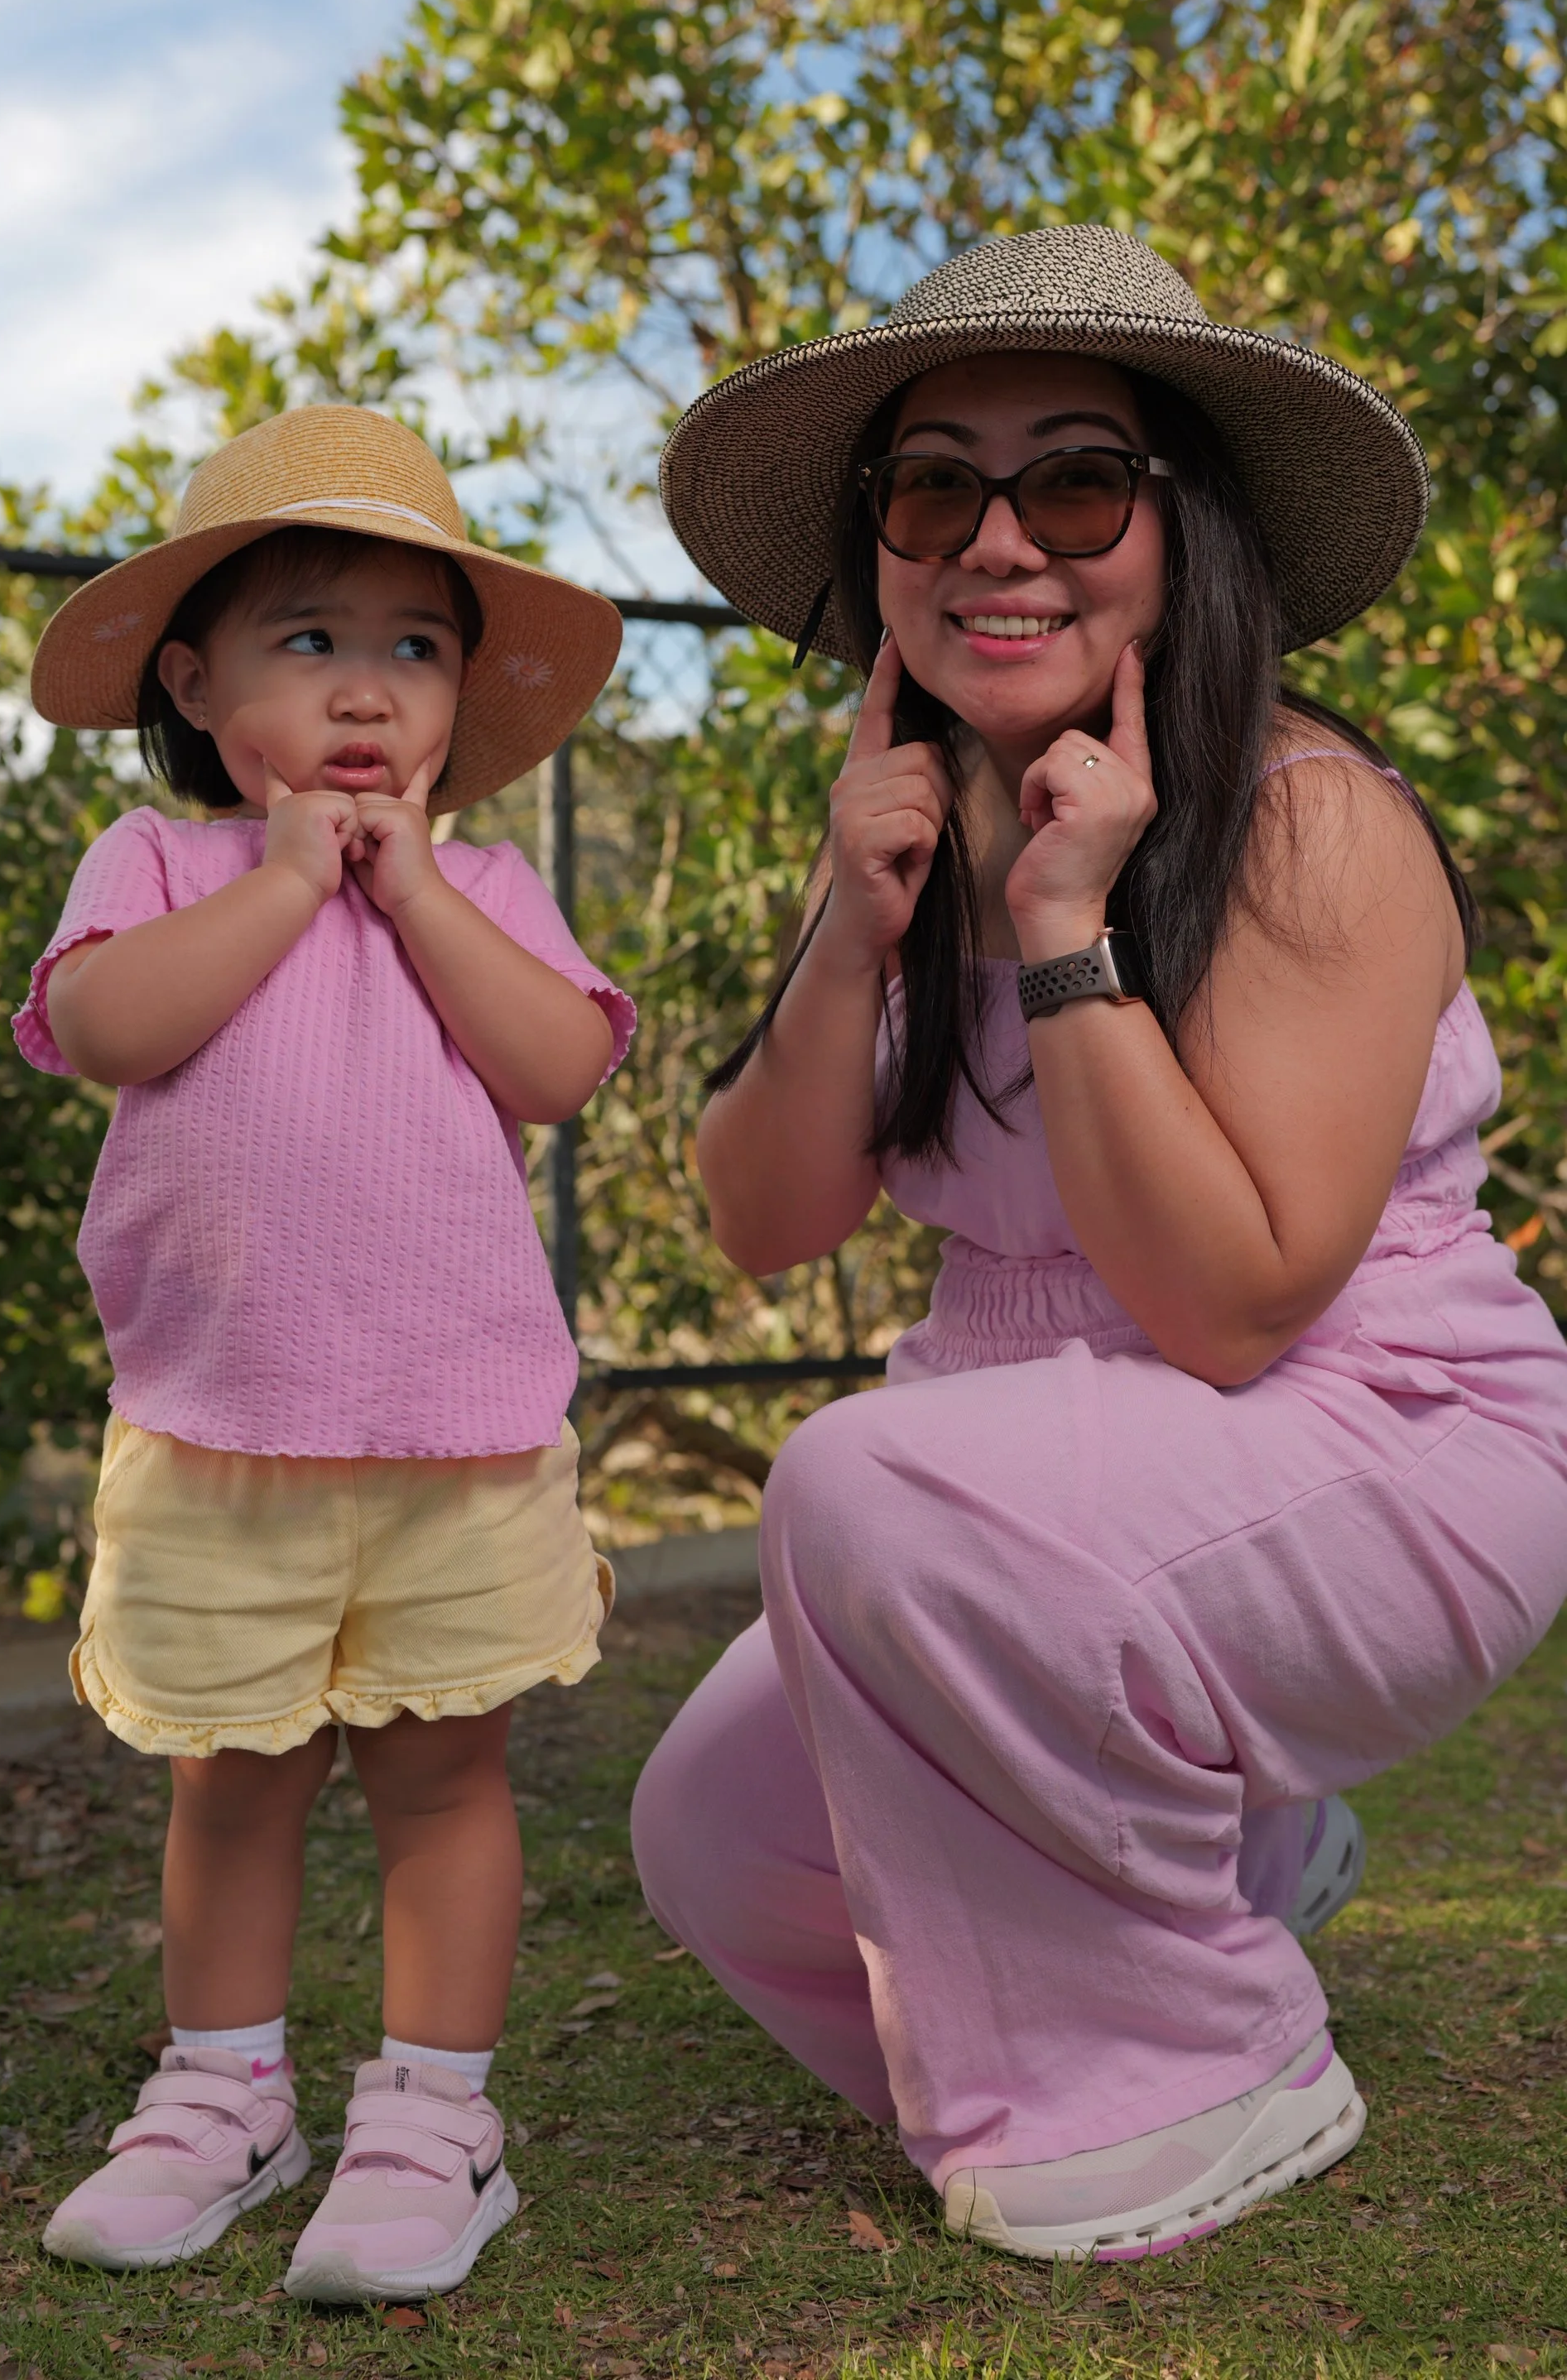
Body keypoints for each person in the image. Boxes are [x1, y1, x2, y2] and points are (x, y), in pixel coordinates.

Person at [632, 225, 1567, 2262]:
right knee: (707, 1832)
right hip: (1057, 1458)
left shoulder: (1311, 821)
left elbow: (1235, 1309)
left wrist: (1067, 932)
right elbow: (761, 1219)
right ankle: (1210, 1863)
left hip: (1379, 1430)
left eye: (1074, 479)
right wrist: (849, 933)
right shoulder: (912, 822)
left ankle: (1201, 2072)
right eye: (931, 486)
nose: (999, 540)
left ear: (1181, 531)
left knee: (861, 1487)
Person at [13, 405, 630, 2301]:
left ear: (459, 698)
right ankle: (224, 2097)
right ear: (194, 684)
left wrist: (415, 887)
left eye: (413, 646)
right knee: (233, 1780)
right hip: (219, 1431)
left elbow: (560, 1066)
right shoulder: (164, 859)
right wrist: (290, 883)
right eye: (310, 641)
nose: (366, 691)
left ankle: (437, 2115)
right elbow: (111, 1026)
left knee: (448, 1781)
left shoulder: (489, 889)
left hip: (459, 1440)